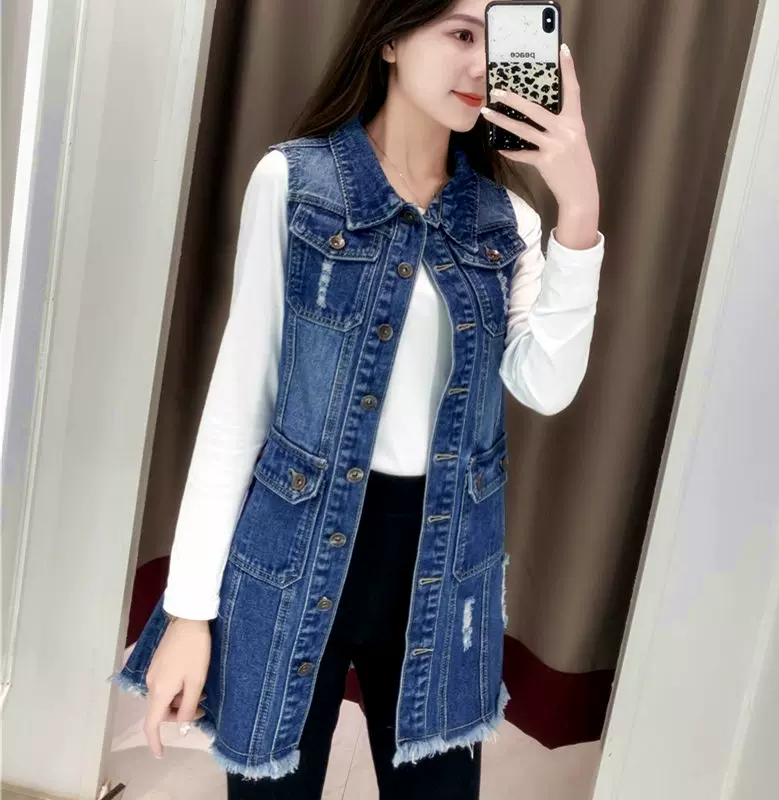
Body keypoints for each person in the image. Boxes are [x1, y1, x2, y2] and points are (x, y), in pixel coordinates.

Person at [111, 0, 605, 797]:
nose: (481, 65)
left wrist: (577, 212)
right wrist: (190, 613)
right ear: (390, 40)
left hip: (444, 562)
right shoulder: (294, 183)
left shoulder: (506, 222)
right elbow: (239, 404)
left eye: (496, 41)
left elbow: (545, 386)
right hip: (291, 546)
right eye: (460, 33)